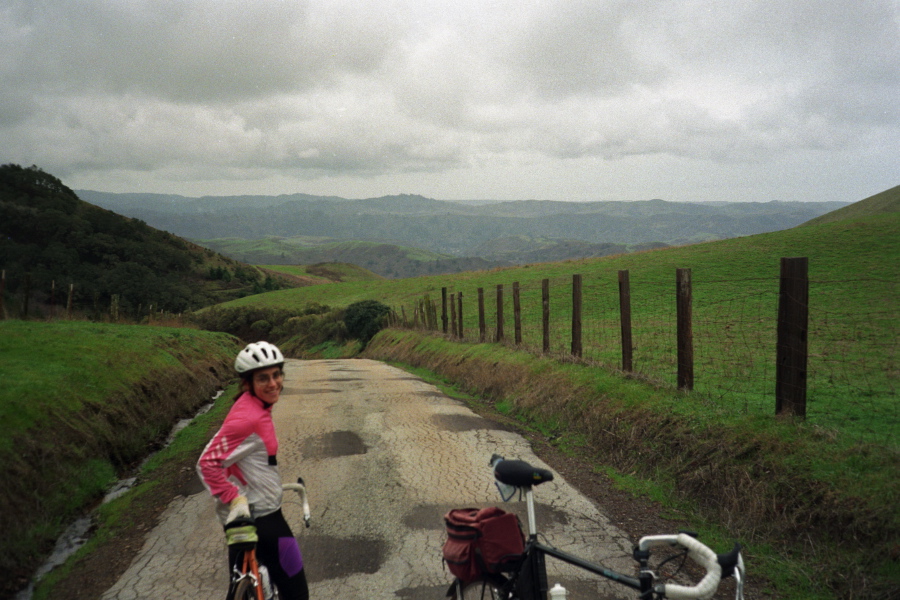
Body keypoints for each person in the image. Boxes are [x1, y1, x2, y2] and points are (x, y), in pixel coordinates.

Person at [197, 341, 309, 600]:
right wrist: (234, 498)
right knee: (297, 590)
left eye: (277, 374)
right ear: (248, 383)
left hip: (242, 522)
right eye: (263, 378)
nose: (273, 383)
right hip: (263, 517)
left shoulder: (253, 406)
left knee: (238, 587)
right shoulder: (248, 417)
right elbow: (207, 462)